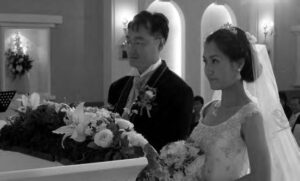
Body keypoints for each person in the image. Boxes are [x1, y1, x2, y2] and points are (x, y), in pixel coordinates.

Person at [142, 25, 300, 181]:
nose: (208, 69)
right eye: (206, 61)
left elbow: (261, 176)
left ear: (239, 64)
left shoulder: (250, 116)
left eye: (215, 61)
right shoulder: (209, 109)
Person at [107, 11, 193, 151]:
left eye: (139, 42)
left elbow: (174, 151)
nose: (131, 48)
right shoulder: (117, 87)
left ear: (160, 43)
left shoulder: (179, 92)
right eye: (129, 41)